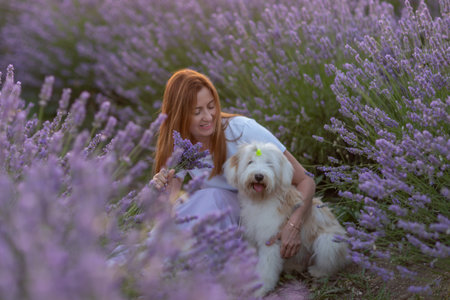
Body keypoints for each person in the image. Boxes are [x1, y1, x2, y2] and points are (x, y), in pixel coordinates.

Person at [152, 69, 315, 259]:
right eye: (197, 112)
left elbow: (306, 180)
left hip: (260, 218)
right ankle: (157, 260)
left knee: (211, 197)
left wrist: (293, 225)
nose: (208, 117)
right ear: (180, 116)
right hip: (223, 219)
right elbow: (170, 206)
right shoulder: (179, 144)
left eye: (211, 106)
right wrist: (161, 188)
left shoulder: (243, 131)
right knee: (190, 207)